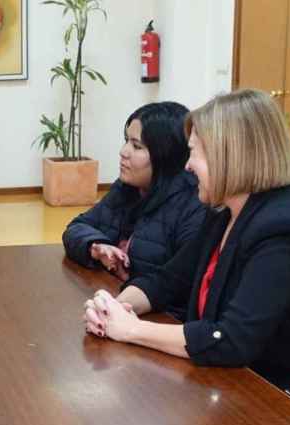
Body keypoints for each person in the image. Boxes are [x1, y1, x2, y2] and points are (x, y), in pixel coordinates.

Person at [83, 89, 290, 390]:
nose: (187, 166)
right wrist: (112, 309)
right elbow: (168, 281)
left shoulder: (286, 228)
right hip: (246, 383)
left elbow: (230, 339)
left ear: (227, 155)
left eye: (194, 152)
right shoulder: (226, 210)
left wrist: (132, 330)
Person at [63, 102, 206, 318]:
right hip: (117, 301)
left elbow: (176, 284)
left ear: (165, 154)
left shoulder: (193, 204)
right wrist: (96, 246)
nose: (123, 152)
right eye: (126, 141)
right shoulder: (127, 188)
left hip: (158, 319)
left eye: (137, 146)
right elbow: (77, 227)